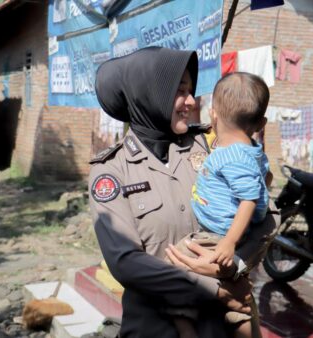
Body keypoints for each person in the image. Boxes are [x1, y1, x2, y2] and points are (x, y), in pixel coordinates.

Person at [89, 47, 277, 338]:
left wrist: (234, 265)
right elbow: (125, 262)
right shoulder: (112, 171)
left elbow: (266, 214)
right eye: (179, 91)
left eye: (191, 90)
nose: (191, 101)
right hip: (157, 329)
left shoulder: (211, 144)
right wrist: (213, 290)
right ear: (148, 94)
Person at [166, 72, 273, 338]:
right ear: (261, 122)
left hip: (217, 235)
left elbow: (249, 199)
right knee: (238, 301)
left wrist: (229, 242)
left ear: (213, 114)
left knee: (171, 270)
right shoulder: (251, 150)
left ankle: (186, 330)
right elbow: (265, 179)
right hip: (224, 233)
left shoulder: (232, 155)